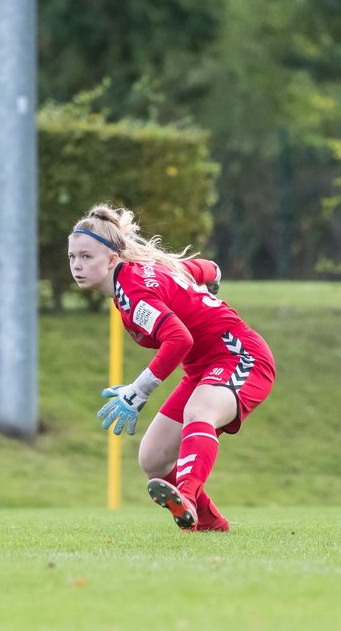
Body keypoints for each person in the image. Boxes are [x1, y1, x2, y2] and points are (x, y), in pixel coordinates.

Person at [68, 203, 276, 531]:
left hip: (241, 356)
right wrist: (213, 273)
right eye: (72, 257)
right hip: (202, 368)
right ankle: (209, 524)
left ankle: (189, 496)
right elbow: (199, 269)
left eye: (86, 257)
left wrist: (138, 391)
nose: (77, 266)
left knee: (200, 411)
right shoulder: (139, 271)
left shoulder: (133, 291)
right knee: (152, 458)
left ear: (111, 259)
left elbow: (179, 340)